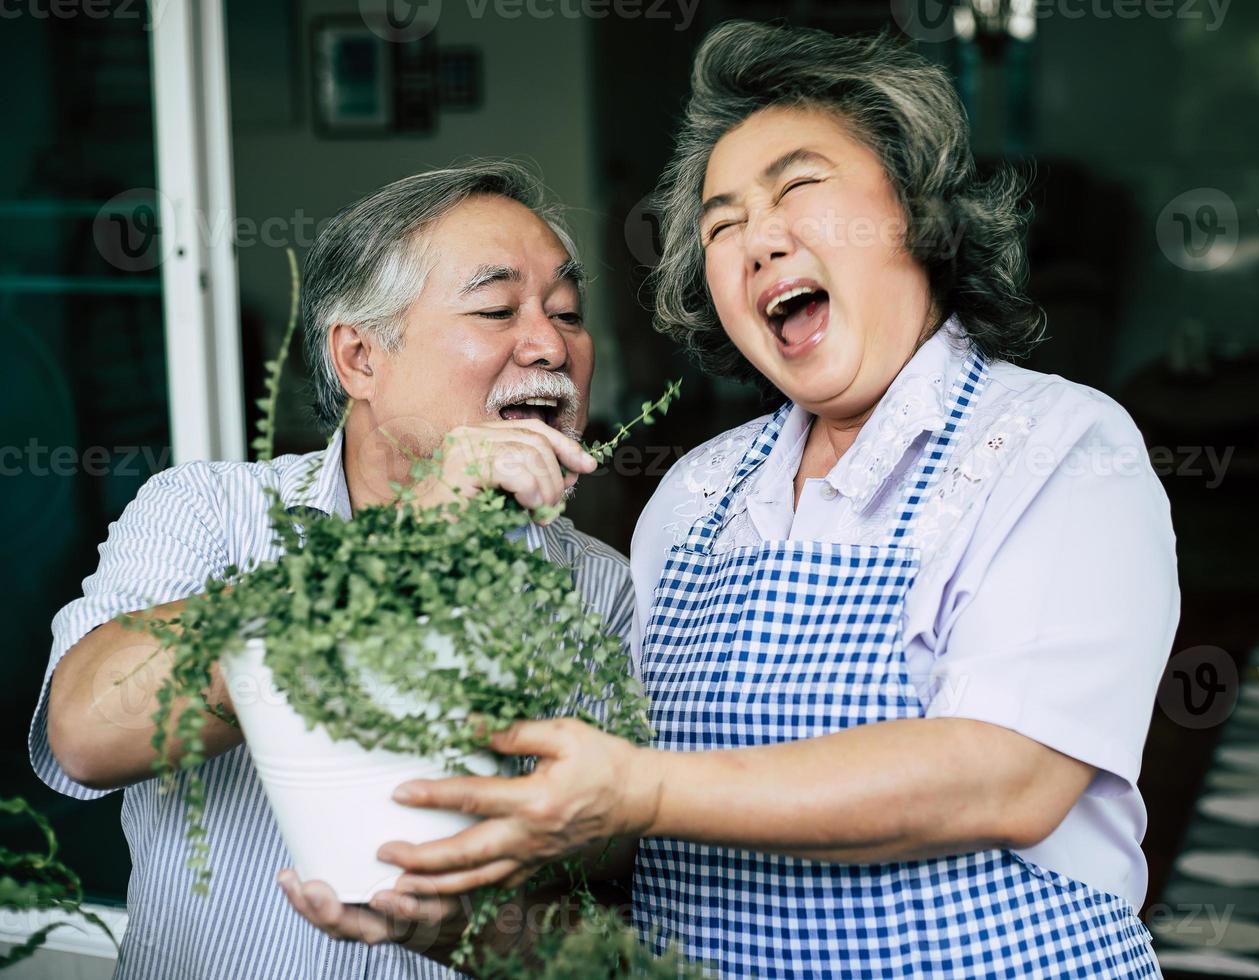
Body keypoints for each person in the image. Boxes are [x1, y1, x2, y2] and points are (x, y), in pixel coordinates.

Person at [286, 22, 1179, 978]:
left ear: (919, 215)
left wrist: (642, 790)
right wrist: (459, 916)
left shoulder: (1059, 446)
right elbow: (651, 872)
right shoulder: (697, 495)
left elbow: (1008, 779)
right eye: (720, 226)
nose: (758, 239)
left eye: (798, 188)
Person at [32, 160, 631, 979]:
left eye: (567, 312)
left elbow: (598, 897)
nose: (550, 344)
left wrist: (463, 921)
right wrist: (401, 546)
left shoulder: (600, 588)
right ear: (358, 359)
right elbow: (87, 733)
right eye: (496, 309)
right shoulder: (211, 513)